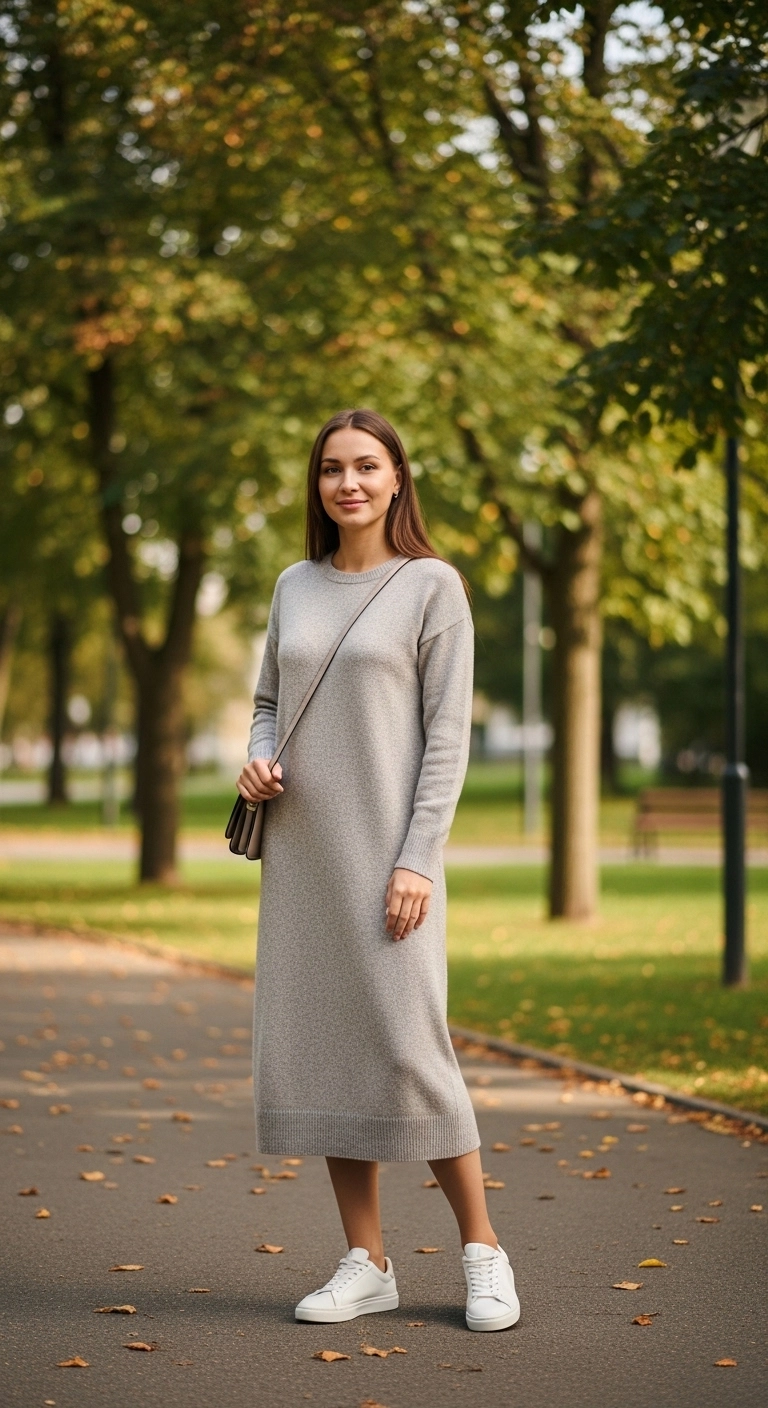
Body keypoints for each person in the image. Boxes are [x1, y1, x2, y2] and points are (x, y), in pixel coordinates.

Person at [237, 408, 519, 1333]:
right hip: (306, 855)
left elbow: (447, 738)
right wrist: (258, 757)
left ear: (398, 477)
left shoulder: (433, 586)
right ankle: (368, 1261)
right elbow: (269, 700)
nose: (347, 483)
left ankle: (483, 1249)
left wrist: (419, 858)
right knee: (325, 1048)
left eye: (365, 466)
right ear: (315, 484)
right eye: (330, 469)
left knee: (409, 1047)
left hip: (390, 858)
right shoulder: (293, 585)